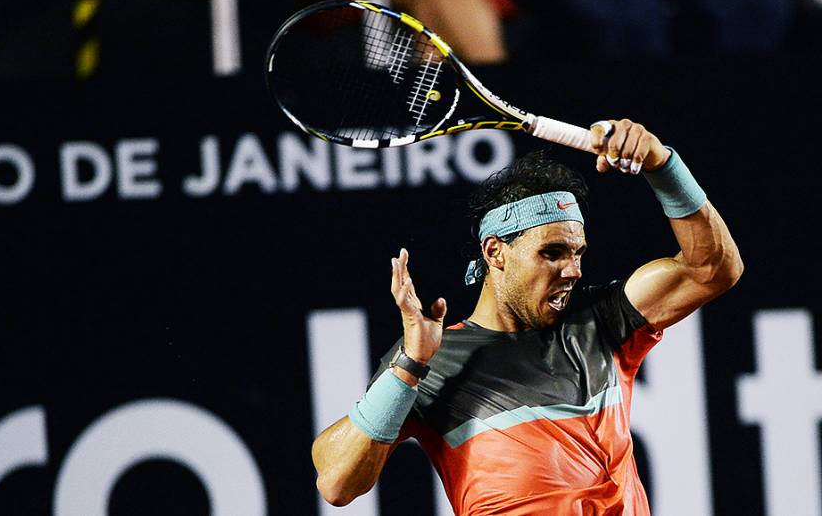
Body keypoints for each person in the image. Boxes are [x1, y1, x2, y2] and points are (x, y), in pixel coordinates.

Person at [310, 119, 743, 514]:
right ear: (495, 252)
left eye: (577, 253)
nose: (572, 270)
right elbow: (336, 483)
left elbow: (713, 269)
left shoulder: (602, 321)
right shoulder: (434, 361)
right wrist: (410, 366)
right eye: (552, 253)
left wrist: (660, 163)